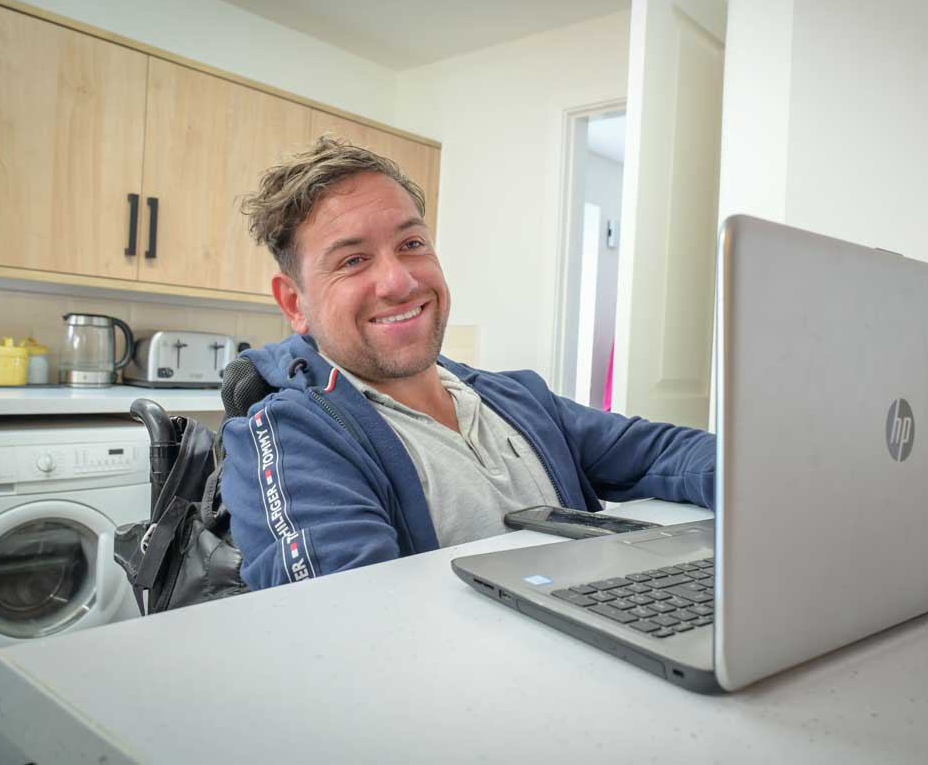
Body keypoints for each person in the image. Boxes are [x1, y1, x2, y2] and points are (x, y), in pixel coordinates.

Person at [221, 136, 714, 590]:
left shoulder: (515, 398)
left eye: (411, 244)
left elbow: (664, 453)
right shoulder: (291, 435)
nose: (399, 282)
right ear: (293, 304)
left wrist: (773, 477)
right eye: (353, 260)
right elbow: (351, 622)